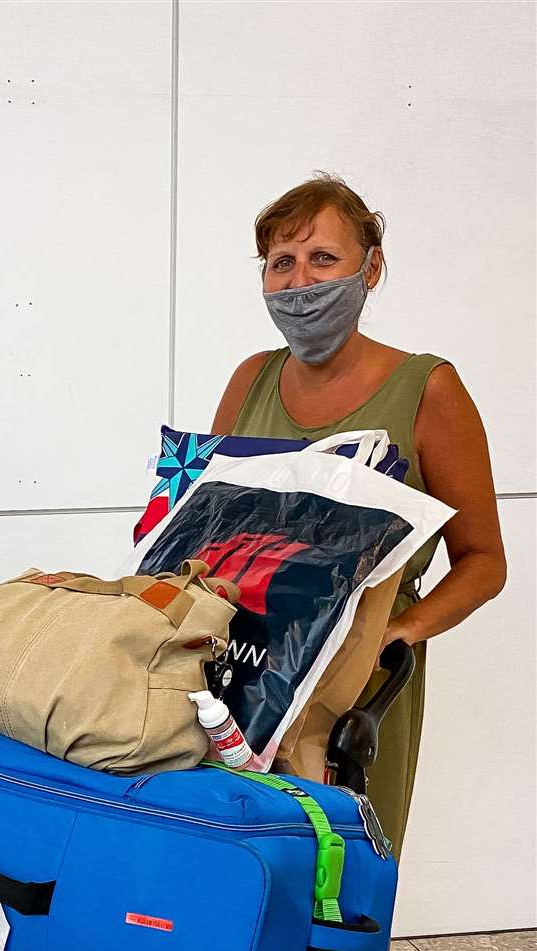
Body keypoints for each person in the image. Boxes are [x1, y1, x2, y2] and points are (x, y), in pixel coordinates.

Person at [212, 173, 506, 855]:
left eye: (323, 259)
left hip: (357, 670)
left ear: (371, 268)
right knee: (237, 859)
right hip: (245, 657)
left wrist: (395, 633)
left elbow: (485, 563)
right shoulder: (249, 379)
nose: (299, 281)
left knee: (340, 877)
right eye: (280, 263)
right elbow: (212, 527)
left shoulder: (427, 389)